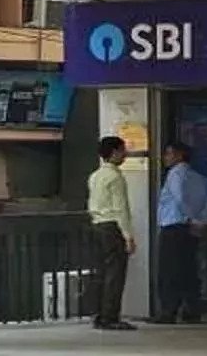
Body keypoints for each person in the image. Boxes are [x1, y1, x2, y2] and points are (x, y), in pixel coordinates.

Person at [153, 140, 207, 324]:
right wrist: (199, 220)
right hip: (192, 228)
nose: (165, 158)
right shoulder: (197, 177)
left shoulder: (175, 174)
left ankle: (168, 311)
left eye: (169, 154)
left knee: (169, 271)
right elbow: (206, 201)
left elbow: (180, 198)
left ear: (179, 155)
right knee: (189, 270)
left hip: (174, 225)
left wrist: (188, 217)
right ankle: (192, 309)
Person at [86, 136, 138, 331]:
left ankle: (99, 315)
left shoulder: (95, 176)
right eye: (123, 150)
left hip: (97, 225)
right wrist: (128, 236)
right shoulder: (116, 177)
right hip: (112, 227)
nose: (125, 154)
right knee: (115, 274)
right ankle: (111, 316)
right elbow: (120, 209)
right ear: (114, 152)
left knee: (101, 272)